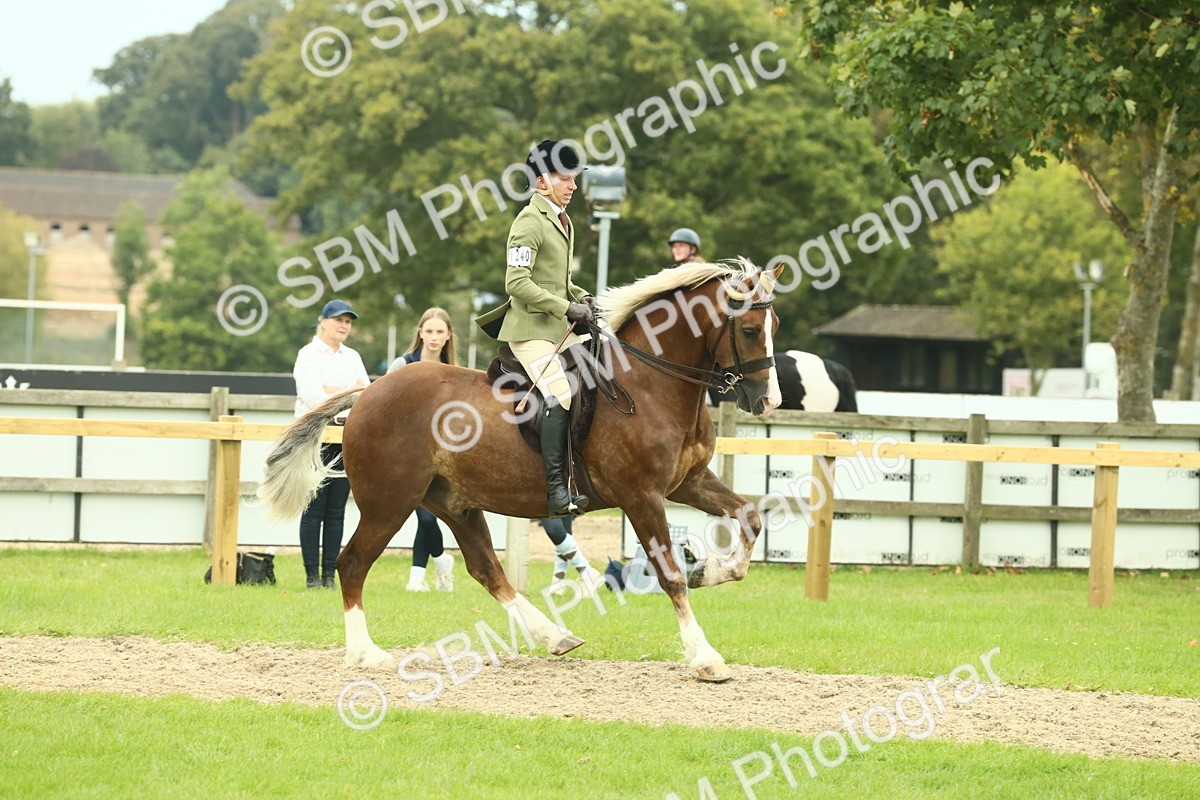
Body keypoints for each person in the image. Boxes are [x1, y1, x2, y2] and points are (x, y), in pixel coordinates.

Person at [475, 138, 602, 589]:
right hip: (529, 332)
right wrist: (564, 308)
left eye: (574, 179)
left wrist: (582, 296)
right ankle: (556, 488)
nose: (573, 186)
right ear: (542, 180)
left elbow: (559, 278)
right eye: (566, 178)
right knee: (563, 392)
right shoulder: (529, 221)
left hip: (555, 329)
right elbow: (517, 283)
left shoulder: (561, 220)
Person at [292, 299, 369, 589]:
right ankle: (312, 576)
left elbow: (367, 395)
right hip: (315, 437)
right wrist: (349, 392)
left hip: (346, 436)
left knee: (336, 509)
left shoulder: (352, 356)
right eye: (338, 320)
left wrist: (336, 391)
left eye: (348, 321)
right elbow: (313, 399)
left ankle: (329, 576)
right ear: (323, 321)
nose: (343, 325)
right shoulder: (308, 355)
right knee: (313, 508)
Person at [388, 307, 457, 592]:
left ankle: (417, 578)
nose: (434, 337)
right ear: (420, 333)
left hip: (443, 455)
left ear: (448, 335)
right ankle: (441, 563)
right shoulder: (401, 365)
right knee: (423, 513)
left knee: (430, 513)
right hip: (406, 454)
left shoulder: (453, 372)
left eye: (440, 332)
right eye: (429, 331)